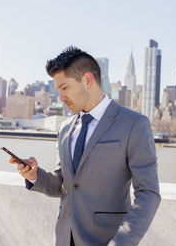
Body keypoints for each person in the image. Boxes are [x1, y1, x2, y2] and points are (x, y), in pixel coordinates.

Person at [9, 46, 161, 246]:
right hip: (63, 239)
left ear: (88, 80)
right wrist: (35, 175)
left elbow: (148, 193)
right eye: (58, 90)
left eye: (64, 88)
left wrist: (122, 242)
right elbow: (63, 185)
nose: (61, 97)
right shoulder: (64, 128)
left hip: (107, 240)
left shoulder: (134, 124)